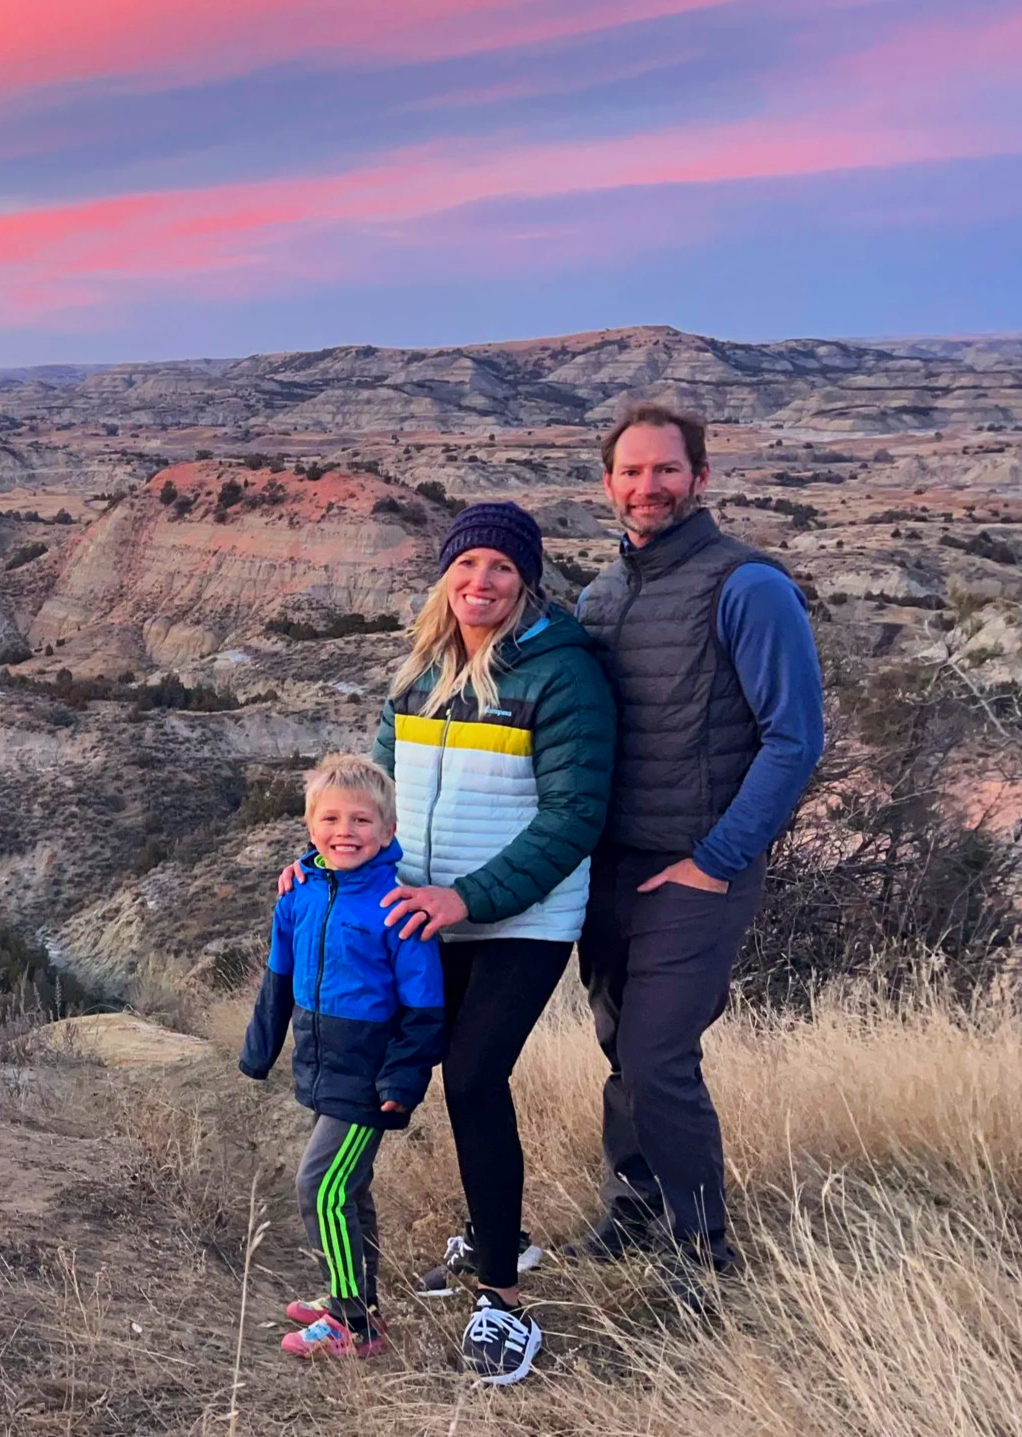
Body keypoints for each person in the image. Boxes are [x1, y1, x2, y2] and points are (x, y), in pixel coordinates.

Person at [282, 500, 614, 1384]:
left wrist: (463, 898)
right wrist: (323, 866)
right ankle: (445, 1254)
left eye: (500, 569)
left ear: (526, 578)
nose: (481, 583)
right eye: (466, 567)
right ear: (445, 576)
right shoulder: (419, 671)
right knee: (410, 1075)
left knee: (471, 1078)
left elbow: (573, 818)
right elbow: (376, 807)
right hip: (421, 917)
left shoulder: (562, 675)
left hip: (519, 921)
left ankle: (502, 1300)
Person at [571, 403, 824, 1295]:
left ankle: (701, 1253)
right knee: (617, 1046)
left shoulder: (745, 586)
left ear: (700, 477)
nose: (648, 487)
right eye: (630, 473)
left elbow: (794, 738)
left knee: (656, 1057)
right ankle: (634, 1210)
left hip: (698, 866)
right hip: (610, 866)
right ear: (608, 486)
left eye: (665, 470)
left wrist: (718, 858)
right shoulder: (598, 596)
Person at [242, 754, 445, 1362]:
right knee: (349, 1190)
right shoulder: (299, 894)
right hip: (321, 1064)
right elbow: (277, 978)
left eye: (361, 820)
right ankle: (359, 1303)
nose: (345, 831)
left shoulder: (396, 906)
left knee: (320, 1188)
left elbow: (425, 1007)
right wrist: (259, 1052)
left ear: (387, 832)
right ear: (310, 828)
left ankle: (351, 1324)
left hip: (369, 1075)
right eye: (330, 818)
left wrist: (403, 1078)